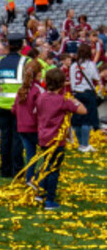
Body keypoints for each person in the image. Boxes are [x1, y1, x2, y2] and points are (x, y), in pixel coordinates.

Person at [34, 67, 86, 210]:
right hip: (57, 140)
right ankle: (50, 200)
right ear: (62, 83)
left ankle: (40, 192)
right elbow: (83, 110)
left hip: (43, 137)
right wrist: (72, 99)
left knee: (46, 165)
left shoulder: (41, 97)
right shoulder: (63, 100)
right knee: (54, 169)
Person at [0, 33, 27, 177]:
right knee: (17, 139)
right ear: (21, 46)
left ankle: (4, 169)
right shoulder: (25, 62)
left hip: (2, 105)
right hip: (18, 106)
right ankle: (17, 169)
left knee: (5, 138)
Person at [12, 58, 43, 185]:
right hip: (34, 127)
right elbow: (42, 109)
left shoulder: (22, 89)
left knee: (30, 155)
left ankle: (29, 178)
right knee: (47, 154)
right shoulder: (37, 90)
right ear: (38, 74)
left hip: (22, 127)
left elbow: (14, 109)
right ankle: (41, 179)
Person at [70, 42, 101, 151]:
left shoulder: (73, 65)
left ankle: (80, 144)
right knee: (86, 120)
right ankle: (85, 144)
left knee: (77, 120)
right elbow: (96, 78)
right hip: (88, 93)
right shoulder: (90, 64)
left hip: (77, 93)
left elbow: (72, 81)